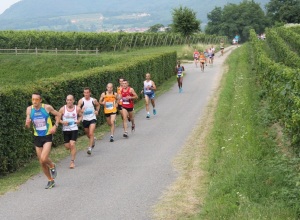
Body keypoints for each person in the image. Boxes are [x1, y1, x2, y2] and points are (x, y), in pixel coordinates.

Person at [25, 93, 61, 189]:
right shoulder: (29, 109)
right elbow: (27, 125)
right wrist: (27, 123)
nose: (34, 101)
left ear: (40, 100)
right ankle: (50, 180)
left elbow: (58, 115)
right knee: (41, 162)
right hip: (37, 137)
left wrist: (55, 126)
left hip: (47, 135)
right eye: (33, 99)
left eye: (36, 99)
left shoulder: (47, 107)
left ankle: (52, 165)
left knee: (44, 158)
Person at [59, 95, 82, 168]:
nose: (69, 101)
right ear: (66, 101)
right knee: (67, 146)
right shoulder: (62, 109)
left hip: (74, 129)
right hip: (66, 130)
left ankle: (72, 161)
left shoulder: (77, 108)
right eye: (68, 100)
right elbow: (57, 118)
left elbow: (81, 116)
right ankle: (73, 150)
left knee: (72, 144)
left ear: (73, 100)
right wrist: (62, 122)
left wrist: (79, 120)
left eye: (70, 100)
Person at [77, 87, 100, 155]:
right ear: (83, 93)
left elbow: (98, 105)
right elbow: (77, 109)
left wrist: (97, 111)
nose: (86, 94)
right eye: (85, 93)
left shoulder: (93, 100)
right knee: (88, 134)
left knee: (91, 133)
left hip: (92, 118)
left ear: (90, 93)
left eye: (87, 93)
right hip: (85, 119)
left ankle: (89, 148)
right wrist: (81, 110)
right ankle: (92, 141)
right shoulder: (81, 101)